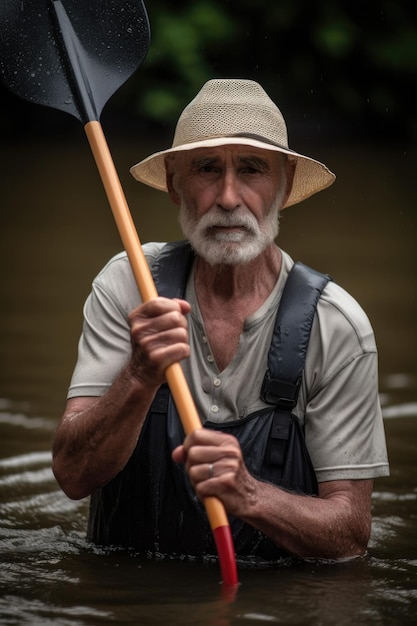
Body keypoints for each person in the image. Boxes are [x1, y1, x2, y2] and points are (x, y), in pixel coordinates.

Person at [52, 79, 389, 562]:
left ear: (285, 184)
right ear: (173, 182)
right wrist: (139, 374)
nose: (228, 197)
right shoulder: (127, 285)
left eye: (252, 170)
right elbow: (70, 475)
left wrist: (251, 495)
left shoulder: (337, 326)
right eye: (207, 169)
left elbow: (351, 535)